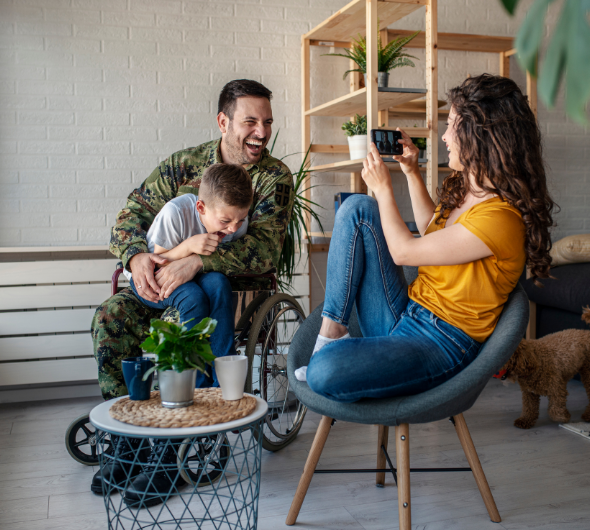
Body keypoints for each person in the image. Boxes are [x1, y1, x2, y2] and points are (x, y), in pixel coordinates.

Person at [295, 74, 556, 405]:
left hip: (441, 342)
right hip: (408, 312)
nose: (444, 137)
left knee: (323, 373)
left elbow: (405, 252)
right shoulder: (468, 189)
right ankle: (331, 335)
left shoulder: (501, 218)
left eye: (451, 127)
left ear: (479, 135)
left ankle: (340, 354)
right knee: (357, 207)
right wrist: (410, 172)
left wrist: (384, 188)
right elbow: (434, 233)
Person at [91, 79, 294, 503]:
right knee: (110, 318)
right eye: (250, 121)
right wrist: (135, 257)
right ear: (224, 122)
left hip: (224, 294)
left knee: (194, 323)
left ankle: (170, 454)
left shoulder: (273, 178)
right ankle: (127, 446)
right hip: (160, 280)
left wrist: (199, 260)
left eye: (268, 122)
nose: (261, 132)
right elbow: (130, 216)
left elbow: (264, 251)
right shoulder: (182, 166)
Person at [126, 162, 253, 387]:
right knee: (193, 298)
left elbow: (221, 259)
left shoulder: (235, 222)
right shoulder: (175, 213)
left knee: (219, 284)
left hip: (196, 275)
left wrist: (229, 226)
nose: (233, 229)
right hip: (153, 277)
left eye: (240, 220)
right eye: (225, 221)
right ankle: (197, 384)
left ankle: (223, 380)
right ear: (201, 208)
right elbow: (157, 263)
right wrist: (189, 246)